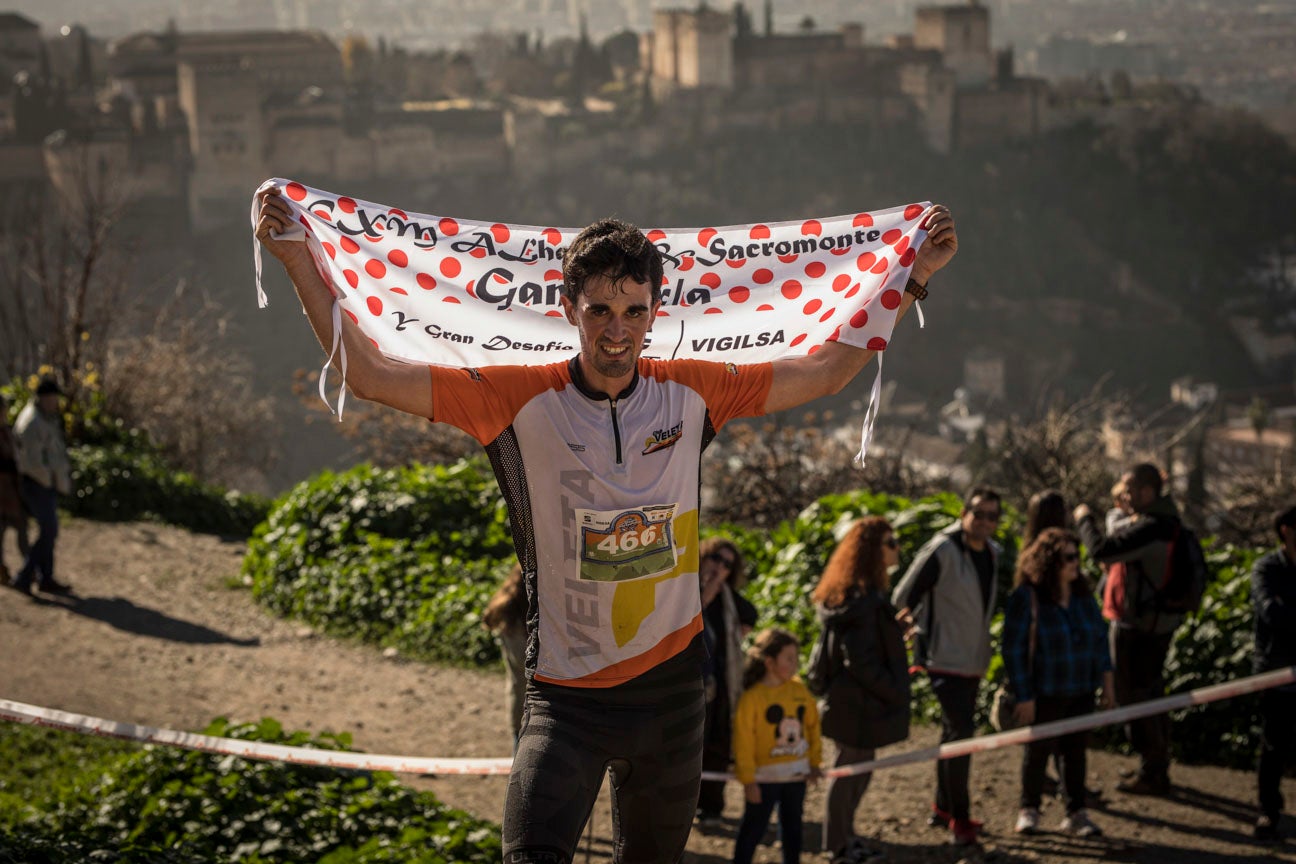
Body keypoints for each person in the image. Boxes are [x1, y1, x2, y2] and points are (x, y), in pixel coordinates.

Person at [255, 185, 958, 864]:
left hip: (674, 695)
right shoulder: (514, 396)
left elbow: (829, 370)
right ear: (569, 310)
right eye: (599, 311)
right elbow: (370, 374)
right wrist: (295, 259)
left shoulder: (694, 390)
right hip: (565, 702)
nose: (616, 330)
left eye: (632, 310)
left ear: (655, 312)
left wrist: (914, 277)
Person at [891, 487, 1001, 845]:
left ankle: (942, 808)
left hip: (972, 660)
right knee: (962, 737)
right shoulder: (942, 550)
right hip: (942, 660)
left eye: (991, 516)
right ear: (963, 512)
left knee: (953, 736)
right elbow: (903, 595)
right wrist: (917, 634)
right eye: (978, 513)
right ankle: (961, 819)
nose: (984, 521)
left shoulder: (994, 555)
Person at [1074, 463, 1181, 796]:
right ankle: (1156, 764)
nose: (1124, 495)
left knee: (1133, 695)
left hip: (1138, 626)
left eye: (1129, 489)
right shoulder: (1167, 520)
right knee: (1152, 692)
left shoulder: (1151, 527)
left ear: (1147, 492)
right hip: (1156, 623)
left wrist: (1082, 519)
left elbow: (1101, 550)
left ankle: (1153, 770)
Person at [1004, 528, 1113, 838]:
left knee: (1075, 752)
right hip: (1044, 691)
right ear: (1050, 561)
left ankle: (1076, 811)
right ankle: (1030, 809)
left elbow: (1100, 641)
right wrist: (1024, 695)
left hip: (1081, 688)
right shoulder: (1027, 598)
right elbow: (1013, 649)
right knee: (1037, 751)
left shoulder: (1083, 598)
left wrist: (1107, 684)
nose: (1075, 563)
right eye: (1067, 557)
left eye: (1077, 556)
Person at [812, 516, 910, 864]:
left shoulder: (862, 597)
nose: (897, 547)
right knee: (847, 773)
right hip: (854, 703)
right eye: (890, 541)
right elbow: (860, 660)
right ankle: (838, 847)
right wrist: (894, 690)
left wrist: (891, 632)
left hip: (856, 701)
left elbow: (862, 647)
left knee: (858, 772)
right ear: (873, 550)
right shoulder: (862, 600)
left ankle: (847, 840)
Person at [731, 627, 822, 864]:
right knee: (753, 828)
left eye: (796, 658)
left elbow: (813, 728)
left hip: (796, 778)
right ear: (770, 662)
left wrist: (814, 763)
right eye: (789, 658)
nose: (795, 664)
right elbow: (743, 741)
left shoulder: (799, 690)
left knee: (793, 828)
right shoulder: (752, 699)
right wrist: (748, 779)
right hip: (764, 780)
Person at [697, 535, 758, 828]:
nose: (719, 567)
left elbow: (751, 615)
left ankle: (711, 808)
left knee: (719, 744)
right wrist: (704, 594)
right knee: (694, 745)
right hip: (691, 682)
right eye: (715, 558)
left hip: (721, 680)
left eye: (726, 564)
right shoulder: (683, 588)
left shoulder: (729, 598)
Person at [1251, 505, 1296, 841]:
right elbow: (1271, 612)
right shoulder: (1267, 568)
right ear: (1286, 531)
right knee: (1273, 744)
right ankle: (1268, 810)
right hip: (1275, 671)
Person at [8, 376, 72, 595]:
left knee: (49, 532)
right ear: (44, 398)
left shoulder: (46, 418)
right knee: (48, 531)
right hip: (37, 484)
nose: (56, 402)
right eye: (53, 398)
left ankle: (46, 578)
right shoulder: (32, 422)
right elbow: (32, 463)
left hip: (44, 483)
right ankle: (25, 576)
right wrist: (49, 479)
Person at [483, 562, 529, 751]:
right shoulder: (514, 621)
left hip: (521, 706)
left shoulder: (507, 615)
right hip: (529, 710)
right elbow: (526, 663)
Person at [0, 394, 30, 584]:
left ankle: (29, 568)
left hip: (13, 490)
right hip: (2, 491)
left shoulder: (8, 431)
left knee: (22, 529)